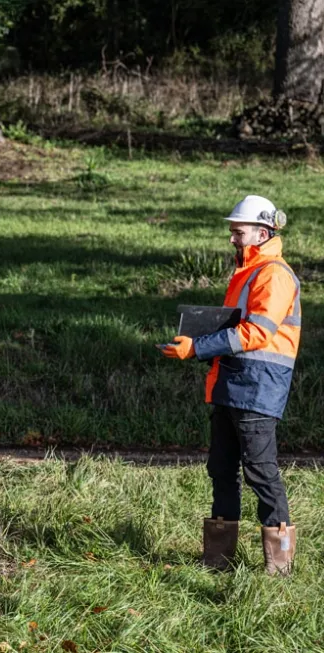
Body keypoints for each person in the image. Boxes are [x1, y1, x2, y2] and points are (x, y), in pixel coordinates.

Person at [160, 195, 300, 575]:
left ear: (263, 231)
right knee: (221, 469)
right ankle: (219, 561)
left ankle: (279, 565)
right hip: (231, 384)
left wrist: (198, 347)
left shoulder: (273, 273)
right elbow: (237, 326)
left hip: (257, 389)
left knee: (260, 471)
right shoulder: (246, 272)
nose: (233, 239)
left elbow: (257, 331)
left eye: (238, 232)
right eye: (232, 232)